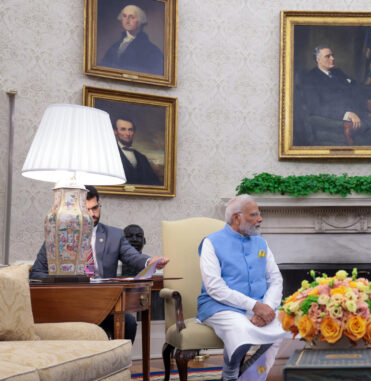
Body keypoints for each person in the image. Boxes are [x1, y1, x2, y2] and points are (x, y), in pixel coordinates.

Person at [30, 186, 169, 341]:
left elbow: (132, 256)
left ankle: (121, 364)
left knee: (129, 323)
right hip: (68, 305)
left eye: (95, 208)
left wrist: (151, 261)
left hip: (103, 305)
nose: (92, 214)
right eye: (87, 209)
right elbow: (36, 272)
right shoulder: (59, 234)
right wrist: (62, 281)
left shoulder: (114, 235)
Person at [196, 194, 288, 381]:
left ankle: (251, 376)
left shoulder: (261, 243)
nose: (260, 219)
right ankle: (230, 373)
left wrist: (267, 308)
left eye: (259, 214)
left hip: (262, 305)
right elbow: (215, 287)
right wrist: (255, 306)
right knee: (240, 328)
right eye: (254, 215)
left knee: (287, 325)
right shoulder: (211, 242)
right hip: (219, 306)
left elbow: (275, 278)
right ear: (237, 218)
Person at [300, 45, 371, 146]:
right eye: (328, 56)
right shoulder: (310, 78)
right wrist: (346, 114)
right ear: (318, 59)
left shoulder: (337, 72)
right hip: (340, 122)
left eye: (332, 55)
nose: (332, 58)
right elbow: (316, 107)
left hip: (360, 113)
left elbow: (357, 87)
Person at [100, 4, 164, 75]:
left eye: (132, 17)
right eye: (124, 16)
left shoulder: (151, 51)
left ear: (140, 21)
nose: (127, 21)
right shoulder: (114, 47)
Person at [113, 115, 161, 186]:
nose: (128, 134)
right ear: (115, 132)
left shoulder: (142, 158)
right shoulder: (110, 155)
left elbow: (156, 184)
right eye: (123, 129)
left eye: (130, 130)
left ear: (134, 132)